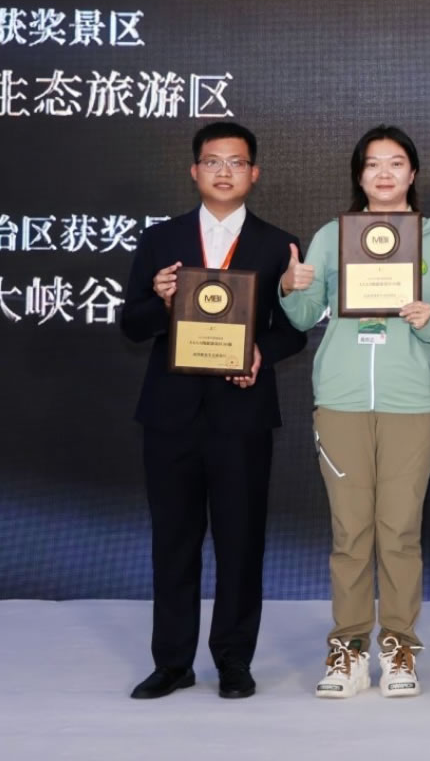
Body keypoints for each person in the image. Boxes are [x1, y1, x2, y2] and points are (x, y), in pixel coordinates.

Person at [120, 121, 306, 701]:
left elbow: (293, 332)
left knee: (240, 542)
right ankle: (172, 662)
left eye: (236, 162)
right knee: (173, 541)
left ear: (254, 173)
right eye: (213, 161)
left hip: (242, 416)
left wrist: (259, 352)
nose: (224, 171)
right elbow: (131, 324)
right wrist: (161, 300)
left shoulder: (278, 245)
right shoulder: (162, 239)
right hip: (170, 416)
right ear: (194, 171)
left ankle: (233, 660)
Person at [278, 126, 430, 699]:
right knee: (350, 532)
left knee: (400, 530)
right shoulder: (332, 236)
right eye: (373, 164)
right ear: (359, 175)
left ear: (413, 173)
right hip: (342, 399)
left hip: (411, 400)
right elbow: (304, 315)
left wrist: (429, 319)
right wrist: (291, 286)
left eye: (396, 162)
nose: (384, 173)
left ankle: (400, 646)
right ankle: (349, 649)